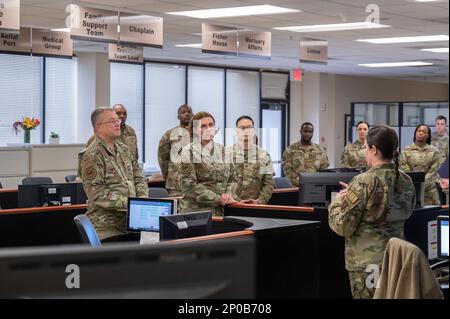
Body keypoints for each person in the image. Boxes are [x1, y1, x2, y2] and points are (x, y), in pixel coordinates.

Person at [328, 125, 416, 299]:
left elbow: (342, 226)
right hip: (397, 262)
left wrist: (338, 201)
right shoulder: (406, 180)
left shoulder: (363, 182)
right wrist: (355, 193)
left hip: (368, 266)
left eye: (366, 148)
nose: (364, 152)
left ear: (374, 149)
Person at [78, 108, 148, 241]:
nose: (118, 123)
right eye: (113, 121)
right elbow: (97, 194)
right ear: (99, 127)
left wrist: (142, 201)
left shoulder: (123, 149)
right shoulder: (91, 155)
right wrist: (131, 204)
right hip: (107, 228)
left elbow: (139, 177)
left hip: (132, 224)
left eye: (118, 120)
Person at [177, 111, 237, 216]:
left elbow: (233, 177)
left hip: (222, 210)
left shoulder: (223, 150)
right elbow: (189, 187)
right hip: (196, 211)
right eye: (203, 126)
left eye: (211, 125)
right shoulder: (188, 152)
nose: (208, 129)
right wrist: (219, 199)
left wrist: (228, 194)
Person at [227, 115, 274, 204]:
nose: (246, 131)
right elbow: (221, 183)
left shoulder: (264, 155)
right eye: (242, 128)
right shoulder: (225, 154)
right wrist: (234, 201)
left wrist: (259, 201)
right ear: (236, 131)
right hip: (231, 206)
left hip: (255, 207)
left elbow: (269, 184)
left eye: (249, 127)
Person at [400, 123, 441, 205]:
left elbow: (434, 170)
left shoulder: (434, 151)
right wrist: (414, 183)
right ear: (415, 133)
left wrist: (421, 185)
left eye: (424, 132)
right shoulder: (406, 150)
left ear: (428, 135)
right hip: (411, 191)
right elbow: (403, 166)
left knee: (431, 215)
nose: (421, 133)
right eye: (419, 131)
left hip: (430, 193)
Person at [157, 104, 193, 196]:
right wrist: (169, 176)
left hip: (195, 184)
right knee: (176, 209)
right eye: (183, 112)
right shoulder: (169, 134)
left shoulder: (198, 134)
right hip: (176, 184)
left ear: (193, 115)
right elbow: (162, 158)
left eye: (189, 112)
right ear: (178, 116)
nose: (186, 114)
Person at [282, 122, 329, 187]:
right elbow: (287, 169)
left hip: (315, 186)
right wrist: (300, 181)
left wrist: (317, 181)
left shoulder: (320, 150)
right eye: (305, 131)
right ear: (301, 131)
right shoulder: (291, 149)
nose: (307, 134)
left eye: (310, 132)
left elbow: (324, 169)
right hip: (296, 187)